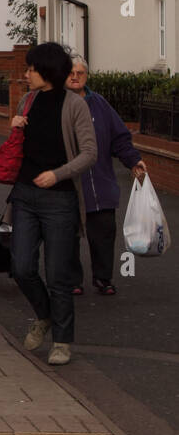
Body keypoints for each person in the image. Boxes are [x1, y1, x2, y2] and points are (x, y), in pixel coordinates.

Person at [8, 43, 97, 366]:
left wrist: (57, 175)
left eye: (32, 69)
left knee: (59, 275)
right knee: (20, 267)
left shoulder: (75, 106)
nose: (27, 73)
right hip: (24, 196)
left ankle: (61, 341)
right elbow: (19, 147)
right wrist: (15, 127)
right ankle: (44, 316)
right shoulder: (27, 100)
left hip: (59, 200)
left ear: (46, 72)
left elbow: (90, 153)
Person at [64, 55, 147, 296]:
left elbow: (120, 138)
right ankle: (72, 280)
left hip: (100, 185)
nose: (75, 76)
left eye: (80, 72)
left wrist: (134, 161)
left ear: (86, 76)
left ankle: (103, 278)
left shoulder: (99, 104)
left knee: (103, 234)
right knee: (68, 235)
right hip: (69, 184)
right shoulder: (58, 104)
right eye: (71, 72)